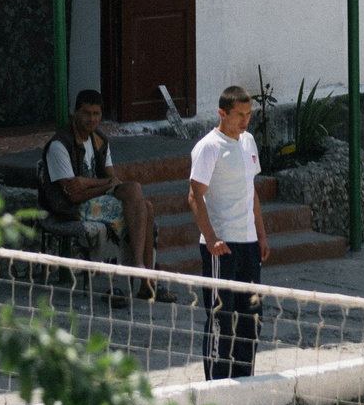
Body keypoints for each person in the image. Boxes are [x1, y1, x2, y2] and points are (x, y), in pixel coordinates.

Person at [41, 88, 176, 299]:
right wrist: (104, 185)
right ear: (75, 112)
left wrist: (88, 182)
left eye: (96, 114)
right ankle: (142, 278)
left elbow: (115, 181)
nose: (91, 119)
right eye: (86, 113)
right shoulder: (60, 145)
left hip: (96, 198)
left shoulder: (100, 139)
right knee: (142, 209)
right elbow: (72, 195)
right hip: (71, 207)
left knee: (138, 196)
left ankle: (139, 269)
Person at [188, 85, 269, 378]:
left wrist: (261, 235)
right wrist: (210, 238)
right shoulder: (208, 147)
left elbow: (252, 193)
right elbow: (195, 195)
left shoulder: (248, 142)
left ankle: (245, 377)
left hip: (248, 243)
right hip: (221, 245)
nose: (245, 121)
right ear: (222, 113)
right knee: (221, 314)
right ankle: (217, 381)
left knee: (252, 314)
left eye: (249, 114)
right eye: (239, 115)